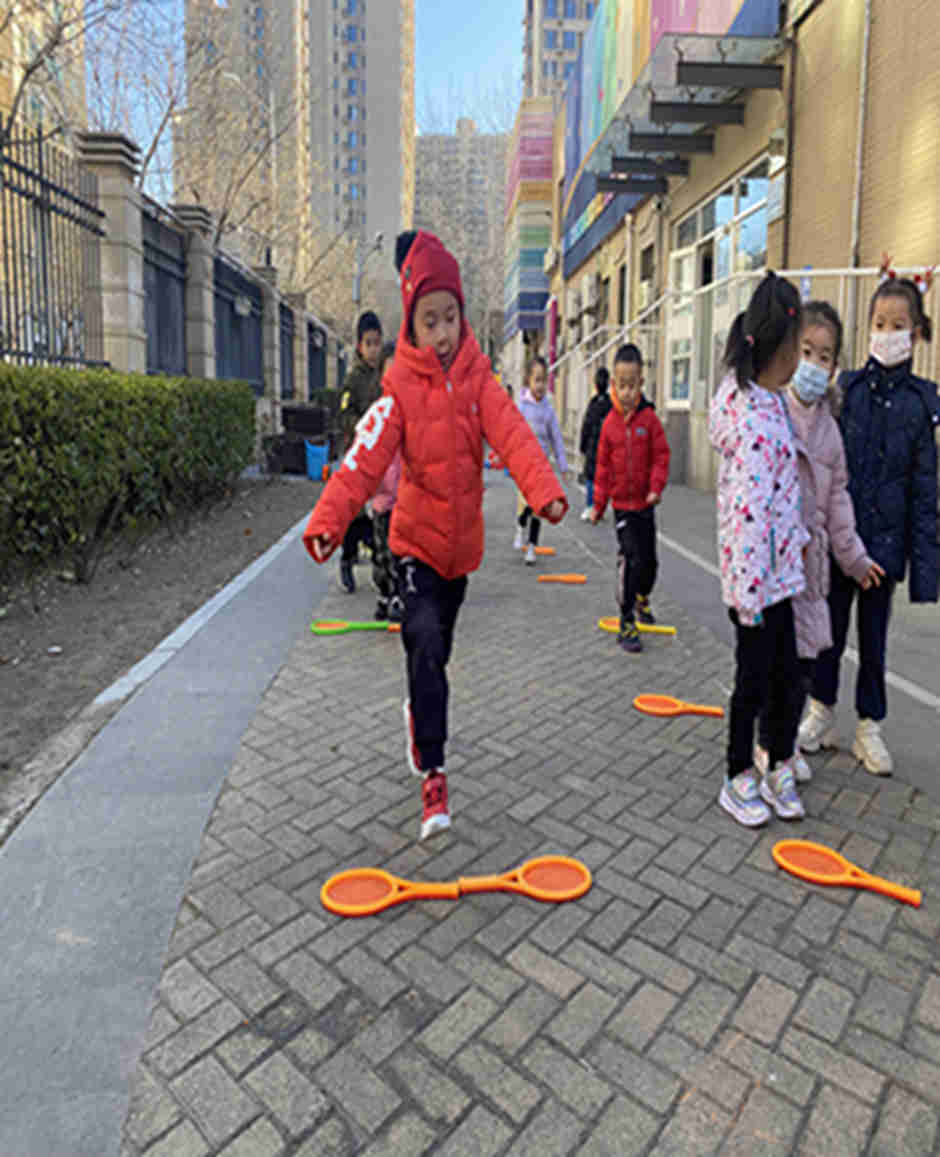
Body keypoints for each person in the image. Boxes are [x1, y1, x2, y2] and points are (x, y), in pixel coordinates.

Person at [303, 230, 567, 840]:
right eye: (430, 321)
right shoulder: (397, 391)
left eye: (451, 317)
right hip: (414, 545)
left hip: (461, 554)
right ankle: (434, 773)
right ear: (412, 328)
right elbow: (362, 461)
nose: (443, 332)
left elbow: (515, 438)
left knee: (436, 654)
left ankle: (420, 709)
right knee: (420, 638)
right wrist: (328, 522)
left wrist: (544, 490)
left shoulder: (480, 381)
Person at [798, 270, 939, 774]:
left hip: (885, 548)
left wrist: (925, 572)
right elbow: (820, 457)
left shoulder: (921, 404)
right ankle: (820, 711)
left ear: (915, 333)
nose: (886, 333)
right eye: (879, 323)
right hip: (841, 542)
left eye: (897, 325)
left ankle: (869, 725)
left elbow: (926, 491)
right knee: (828, 630)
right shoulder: (846, 390)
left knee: (874, 640)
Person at [755, 302, 885, 782]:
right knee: (770, 660)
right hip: (773, 565)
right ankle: (767, 744)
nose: (813, 364)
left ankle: (786, 743)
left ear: (834, 367)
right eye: (806, 351)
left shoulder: (831, 430)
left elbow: (839, 502)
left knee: (802, 664)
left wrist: (855, 559)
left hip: (812, 572)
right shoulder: (770, 411)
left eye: (825, 356)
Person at [709, 272, 810, 827]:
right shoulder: (750, 418)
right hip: (754, 584)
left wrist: (796, 545)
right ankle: (737, 774)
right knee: (753, 680)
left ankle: (777, 760)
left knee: (786, 678)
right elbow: (747, 512)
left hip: (779, 576)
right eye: (801, 346)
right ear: (782, 347)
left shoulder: (772, 403)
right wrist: (749, 594)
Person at [591, 344, 670, 654]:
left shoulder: (649, 420)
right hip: (622, 507)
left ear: (641, 383)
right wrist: (598, 505)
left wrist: (656, 487)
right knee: (630, 559)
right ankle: (626, 620)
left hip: (645, 505)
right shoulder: (609, 425)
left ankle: (641, 598)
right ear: (613, 384)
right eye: (621, 385)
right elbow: (602, 469)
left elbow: (661, 456)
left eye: (632, 385)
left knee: (649, 563)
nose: (626, 392)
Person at [337, 310, 384, 593]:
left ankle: (381, 562)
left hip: (383, 457)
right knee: (355, 513)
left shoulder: (386, 373)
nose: (374, 349)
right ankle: (347, 557)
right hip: (358, 454)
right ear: (359, 346)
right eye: (369, 343)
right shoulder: (353, 379)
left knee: (382, 511)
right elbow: (344, 415)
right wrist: (364, 428)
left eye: (377, 342)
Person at [514, 357, 569, 565]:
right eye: (537, 380)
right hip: (524, 468)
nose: (541, 385)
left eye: (544, 380)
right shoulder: (522, 407)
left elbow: (556, 439)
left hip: (542, 469)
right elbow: (512, 435)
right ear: (528, 381)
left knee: (540, 508)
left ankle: (532, 547)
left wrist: (563, 465)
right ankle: (520, 526)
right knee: (526, 507)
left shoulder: (548, 411)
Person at [368, 341, 404, 622]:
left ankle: (399, 597)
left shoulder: (413, 415)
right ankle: (384, 593)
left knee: (400, 553)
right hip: (382, 499)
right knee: (381, 554)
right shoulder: (376, 415)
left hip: (405, 502)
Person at [579, 365, 612, 521]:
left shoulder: (593, 404)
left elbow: (586, 425)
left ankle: (590, 506)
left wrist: (583, 445)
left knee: (591, 478)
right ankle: (599, 508)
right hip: (606, 446)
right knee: (603, 479)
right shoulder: (611, 404)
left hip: (593, 446)